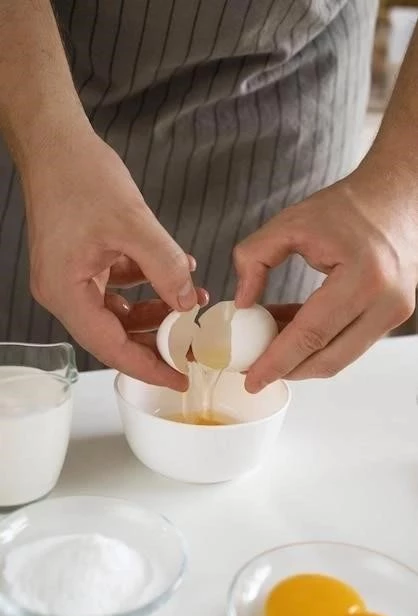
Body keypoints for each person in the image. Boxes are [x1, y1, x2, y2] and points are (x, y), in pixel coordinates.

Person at [0, 1, 416, 394]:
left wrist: (400, 182)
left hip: (291, 78)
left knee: (273, 354)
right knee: (35, 383)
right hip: (37, 65)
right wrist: (48, 141)